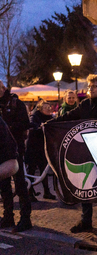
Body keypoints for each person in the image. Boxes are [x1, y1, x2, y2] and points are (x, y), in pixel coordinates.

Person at [48, 74, 97, 236]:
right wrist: (50, 123)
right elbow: (69, 117)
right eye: (89, 87)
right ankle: (86, 221)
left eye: (94, 87)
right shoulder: (85, 104)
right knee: (86, 185)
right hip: (86, 150)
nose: (90, 90)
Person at [0, 81, 32, 232]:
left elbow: (26, 123)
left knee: (20, 184)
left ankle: (26, 218)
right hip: (1, 150)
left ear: (3, 88)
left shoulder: (15, 103)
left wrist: (8, 128)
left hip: (15, 149)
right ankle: (8, 216)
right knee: (4, 185)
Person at [25, 100, 55, 201]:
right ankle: (29, 193)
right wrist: (38, 126)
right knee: (32, 169)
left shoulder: (51, 118)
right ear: (40, 109)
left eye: (49, 107)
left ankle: (47, 192)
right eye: (46, 107)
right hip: (33, 147)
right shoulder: (35, 115)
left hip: (43, 147)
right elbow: (32, 123)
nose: (48, 109)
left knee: (44, 169)